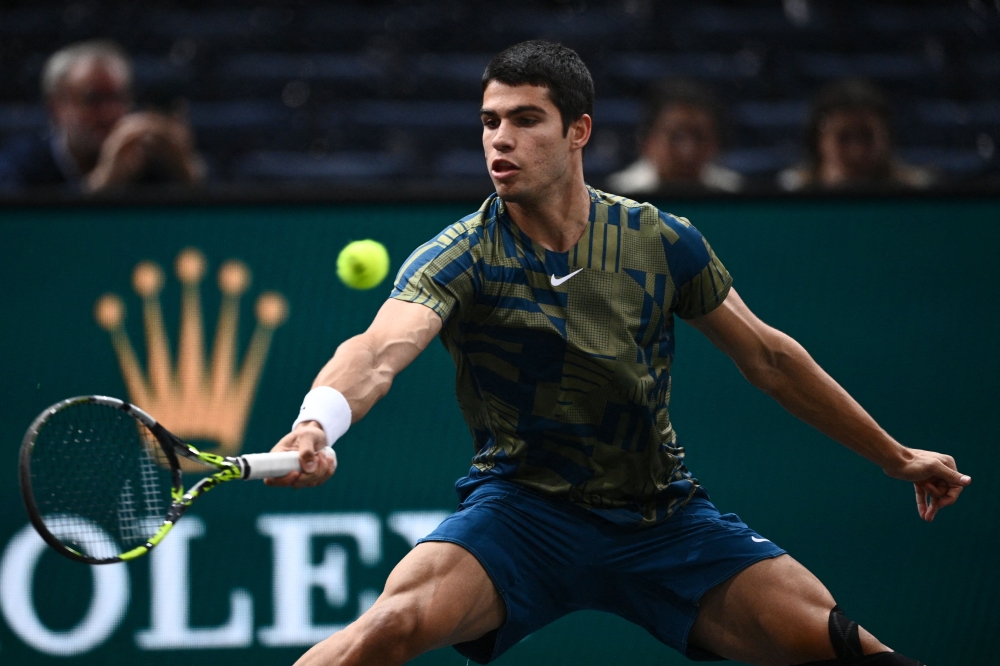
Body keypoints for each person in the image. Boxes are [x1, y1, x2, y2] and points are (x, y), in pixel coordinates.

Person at [266, 41, 968, 666]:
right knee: (387, 628)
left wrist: (894, 455)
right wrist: (316, 422)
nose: (500, 139)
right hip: (521, 515)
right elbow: (378, 351)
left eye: (525, 119)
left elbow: (770, 360)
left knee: (838, 645)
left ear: (579, 131)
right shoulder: (461, 254)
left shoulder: (659, 239)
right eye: (489, 121)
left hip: (660, 516)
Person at [0, 39, 204, 192]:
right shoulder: (20, 163)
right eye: (93, 99)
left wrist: (184, 167)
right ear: (56, 107)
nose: (110, 113)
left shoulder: (146, 162)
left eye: (119, 98)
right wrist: (105, 182)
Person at [778, 79, 934, 192]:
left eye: (868, 136)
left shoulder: (919, 193)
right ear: (819, 139)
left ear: (887, 137)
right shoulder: (791, 193)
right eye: (843, 137)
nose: (857, 151)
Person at [606, 78, 743, 194]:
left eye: (699, 137)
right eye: (676, 137)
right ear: (648, 141)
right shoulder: (619, 196)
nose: (688, 151)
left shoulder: (735, 193)